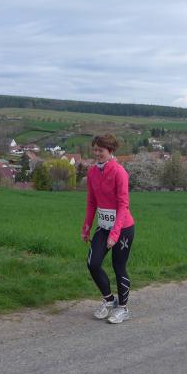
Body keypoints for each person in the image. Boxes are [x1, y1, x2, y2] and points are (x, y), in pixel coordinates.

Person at [82, 134, 136, 324]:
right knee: (93, 263)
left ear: (110, 151)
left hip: (123, 228)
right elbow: (91, 202)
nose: (97, 153)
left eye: (101, 150)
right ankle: (109, 300)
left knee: (118, 266)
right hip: (103, 227)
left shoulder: (119, 172)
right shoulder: (92, 172)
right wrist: (86, 227)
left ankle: (123, 308)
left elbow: (123, 205)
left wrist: (115, 234)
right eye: (95, 149)